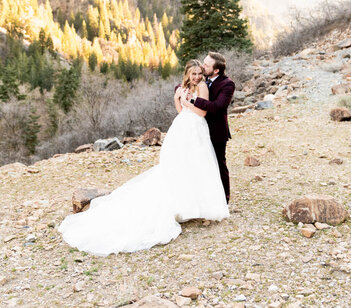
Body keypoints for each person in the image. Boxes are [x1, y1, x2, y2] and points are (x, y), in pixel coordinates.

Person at [58, 60, 229, 256]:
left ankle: (200, 206)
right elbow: (180, 111)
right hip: (181, 127)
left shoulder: (201, 87)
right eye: (193, 74)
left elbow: (201, 112)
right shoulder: (184, 88)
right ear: (187, 74)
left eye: (200, 73)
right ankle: (183, 205)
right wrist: (178, 98)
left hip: (196, 129)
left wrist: (190, 100)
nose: (197, 77)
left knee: (197, 165)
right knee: (178, 167)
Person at [181, 52, 235, 203]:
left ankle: (224, 199)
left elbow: (217, 107)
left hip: (216, 131)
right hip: (197, 130)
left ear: (216, 70)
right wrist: (180, 91)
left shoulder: (227, 84)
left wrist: (192, 99)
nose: (203, 67)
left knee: (218, 164)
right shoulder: (203, 79)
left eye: (206, 65)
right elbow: (188, 81)